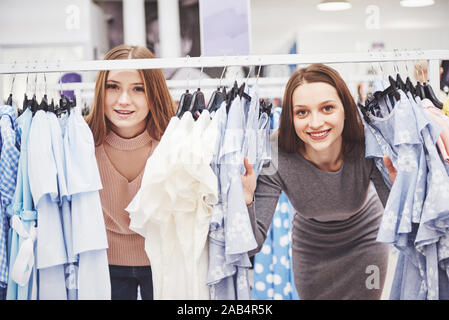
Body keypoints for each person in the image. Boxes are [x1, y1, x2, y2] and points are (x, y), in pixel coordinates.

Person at [241, 63, 397, 300]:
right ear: (290, 117)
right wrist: (246, 200)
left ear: (345, 108)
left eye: (327, 108)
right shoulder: (274, 153)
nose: (315, 123)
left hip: (366, 243)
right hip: (311, 252)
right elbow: (251, 246)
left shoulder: (368, 142)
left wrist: (398, 187)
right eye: (302, 112)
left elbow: (404, 232)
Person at [86, 44, 175, 300]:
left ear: (153, 93)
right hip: (102, 264)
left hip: (164, 262)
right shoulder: (80, 143)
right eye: (113, 87)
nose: (123, 99)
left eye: (138, 89)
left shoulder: (175, 143)